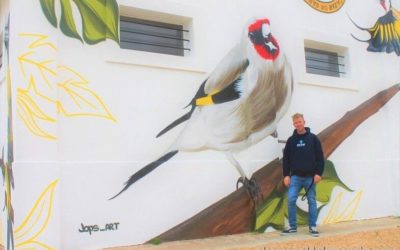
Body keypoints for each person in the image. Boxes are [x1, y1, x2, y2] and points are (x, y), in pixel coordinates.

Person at [281, 113, 324, 237]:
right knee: (291, 200)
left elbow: (320, 158)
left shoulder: (313, 139)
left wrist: (318, 173)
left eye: (299, 122)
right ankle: (293, 227)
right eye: (295, 123)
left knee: (312, 201)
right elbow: (286, 159)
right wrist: (286, 175)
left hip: (310, 178)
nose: (298, 124)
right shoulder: (291, 140)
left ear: (304, 121)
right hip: (295, 177)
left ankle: (313, 226)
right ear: (293, 124)